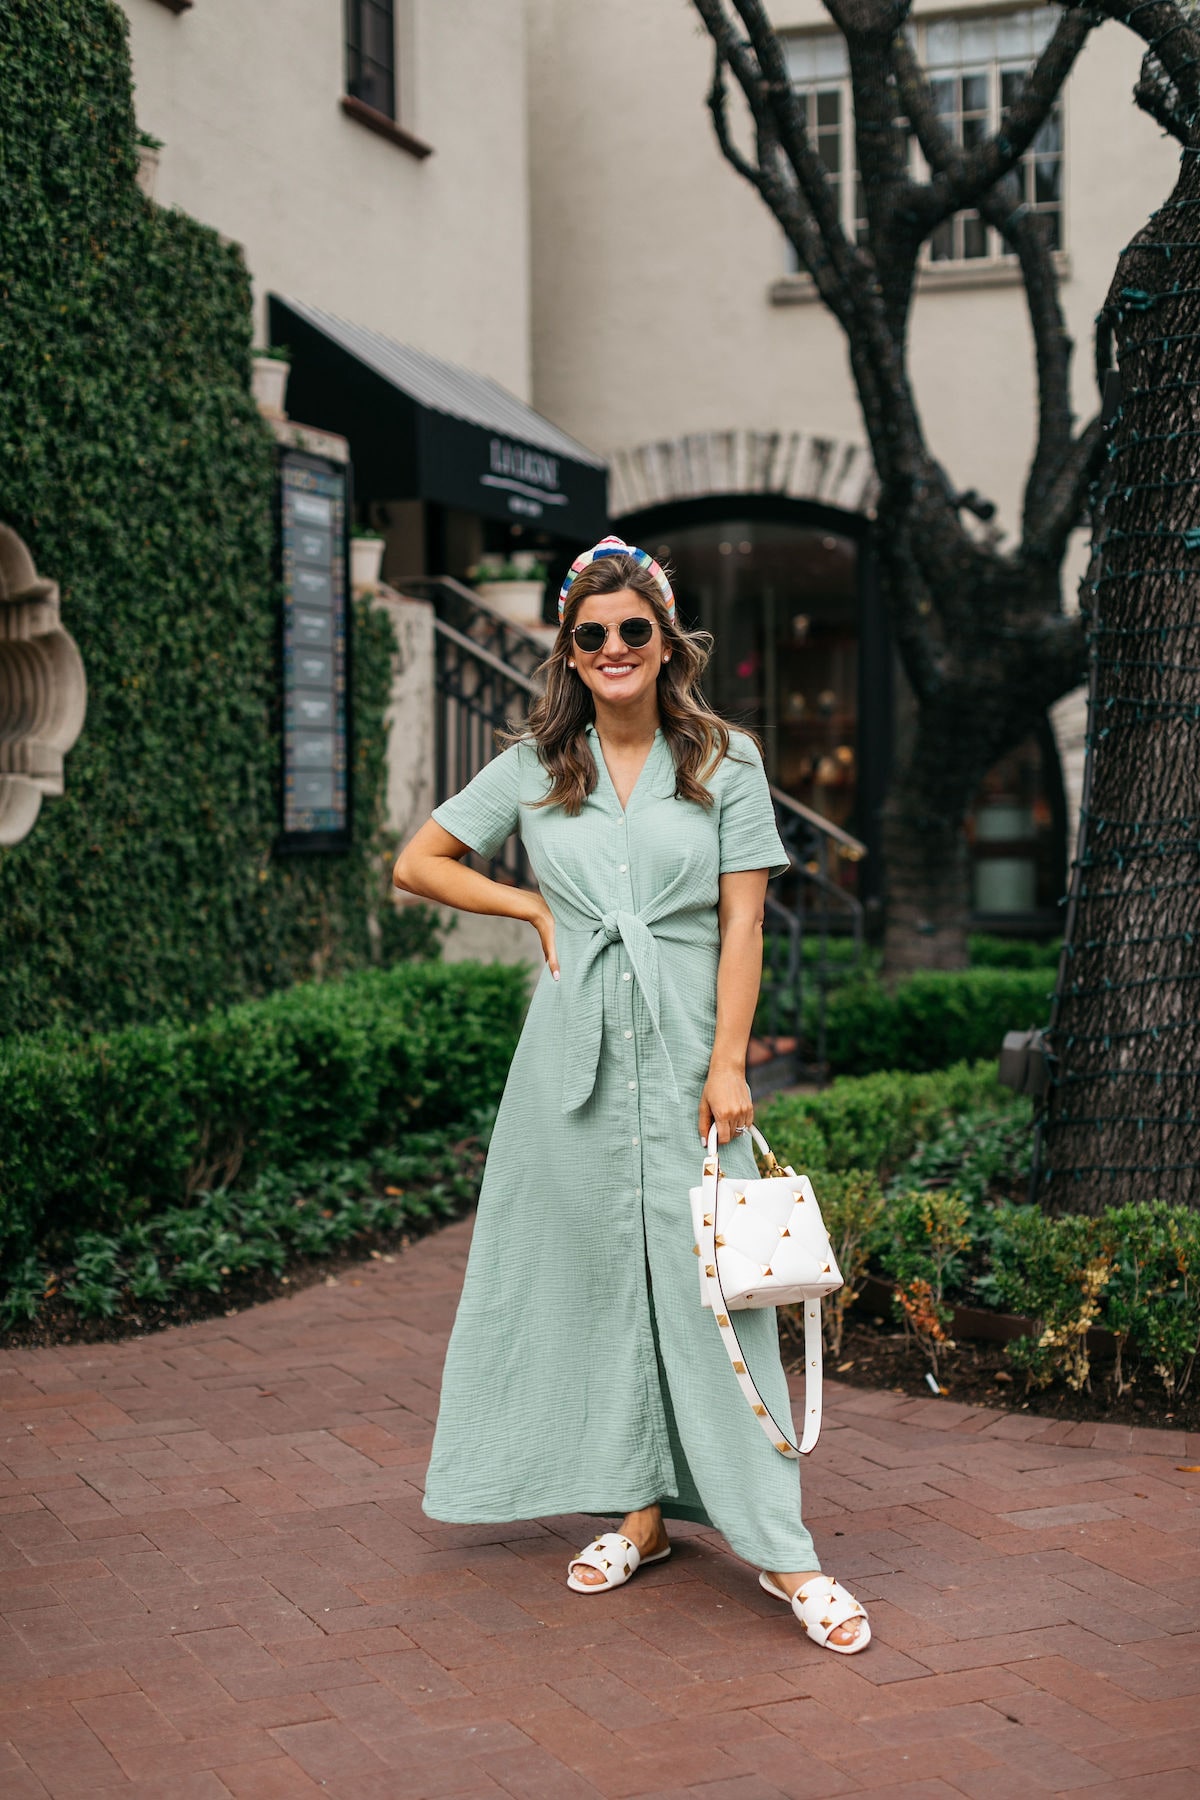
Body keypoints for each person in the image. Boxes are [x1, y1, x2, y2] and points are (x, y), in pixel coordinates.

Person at [393, 537, 869, 1654]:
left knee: (717, 1298)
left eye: (633, 631)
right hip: (568, 1070)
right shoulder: (533, 764)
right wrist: (531, 909)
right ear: (570, 648)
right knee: (600, 1289)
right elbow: (418, 862)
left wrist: (729, 1062)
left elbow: (744, 919)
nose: (613, 649)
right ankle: (643, 1515)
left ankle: (784, 1552)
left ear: (666, 642)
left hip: (688, 1055)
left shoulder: (726, 761)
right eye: (591, 634)